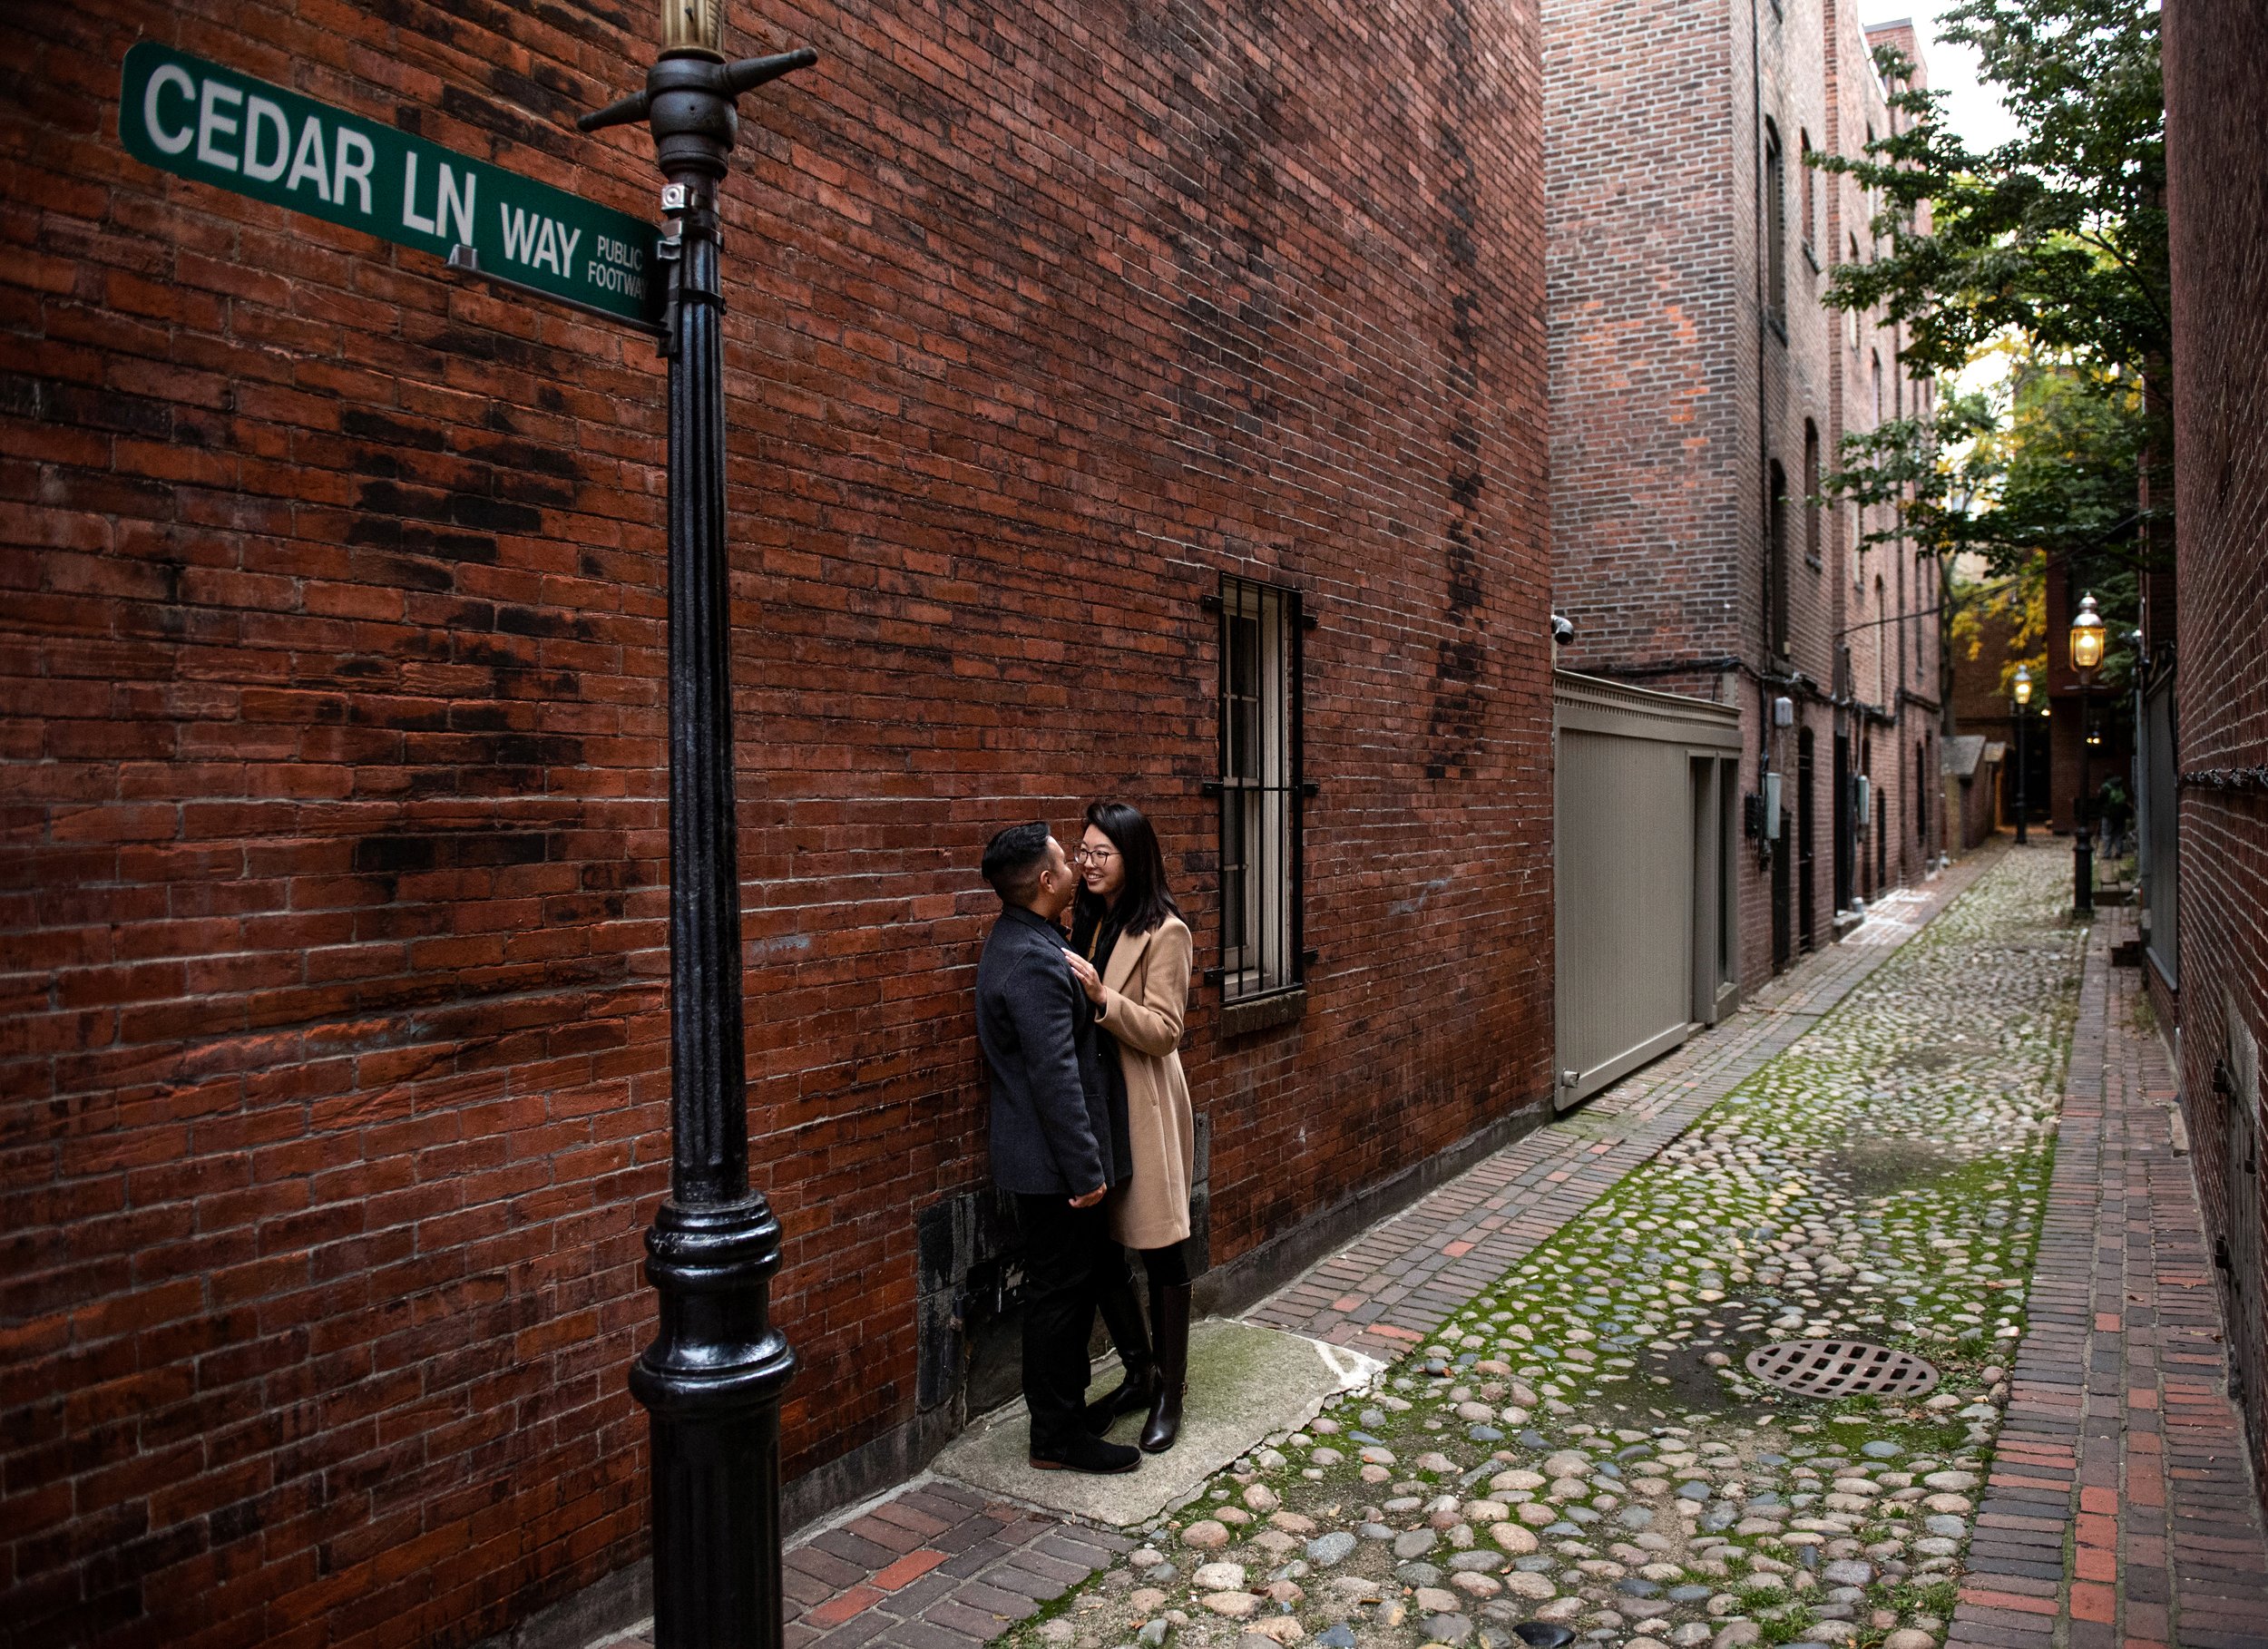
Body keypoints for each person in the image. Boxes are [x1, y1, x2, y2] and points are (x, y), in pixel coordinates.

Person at [973, 823, 1142, 1475]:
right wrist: (1086, 1169)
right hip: (1053, 1167)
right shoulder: (1034, 960)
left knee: (1061, 1291)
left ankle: (1062, 1421)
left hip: (1044, 1160)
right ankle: (1057, 1435)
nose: (1075, 864)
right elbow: (1056, 1075)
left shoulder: (1029, 939)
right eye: (1063, 859)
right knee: (1058, 1298)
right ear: (1045, 882)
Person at [1063, 801, 1198, 1453]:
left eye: (1099, 854)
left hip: (1140, 1102)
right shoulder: (1085, 920)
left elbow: (1168, 1030)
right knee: (1099, 1249)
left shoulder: (1164, 930)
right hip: (1093, 1104)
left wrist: (1103, 1000)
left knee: (1160, 1247)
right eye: (1081, 851)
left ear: (1131, 858)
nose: (1086, 864)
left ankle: (1171, 1392)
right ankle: (1139, 1372)